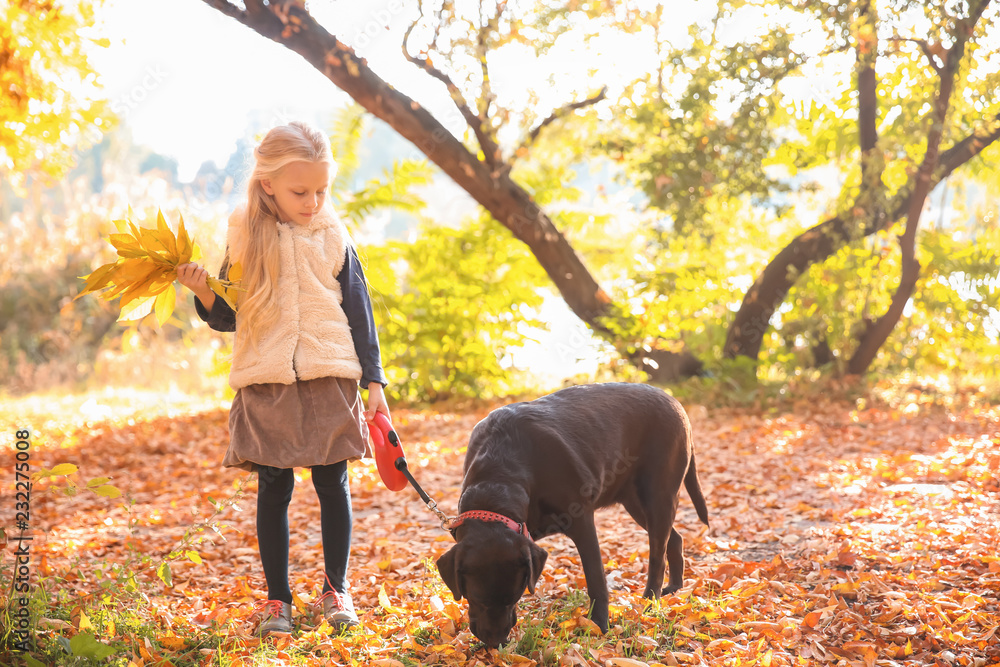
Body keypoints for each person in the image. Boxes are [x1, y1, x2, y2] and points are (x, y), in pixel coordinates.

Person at [176, 121, 389, 637]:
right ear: (268, 183)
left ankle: (336, 588)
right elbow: (230, 317)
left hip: (329, 371)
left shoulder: (334, 235)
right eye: (301, 191)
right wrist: (204, 294)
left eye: (321, 190)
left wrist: (375, 383)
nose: (314, 201)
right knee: (273, 486)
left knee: (331, 482)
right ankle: (278, 600)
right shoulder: (244, 236)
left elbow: (360, 313)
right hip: (266, 376)